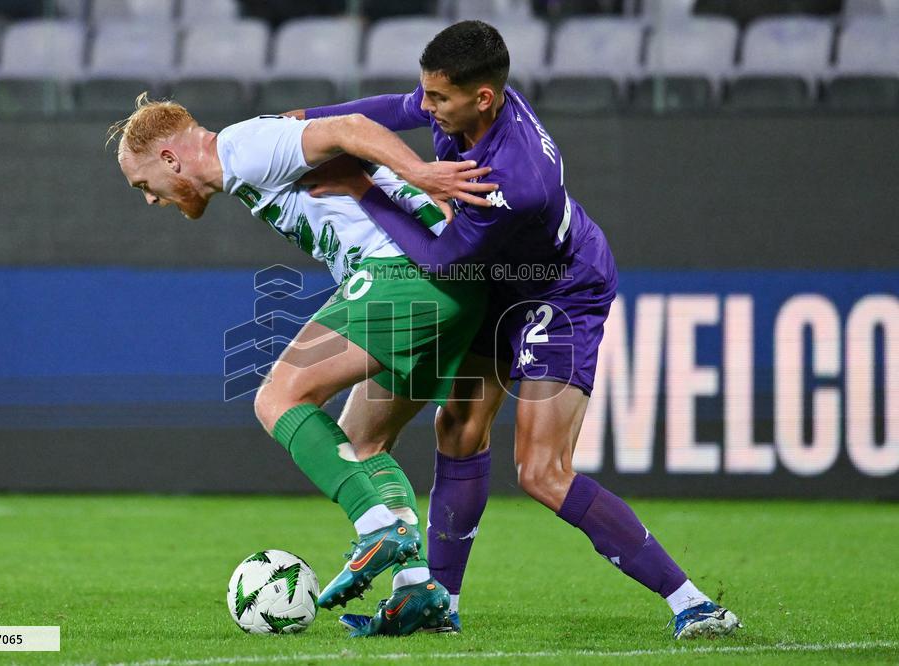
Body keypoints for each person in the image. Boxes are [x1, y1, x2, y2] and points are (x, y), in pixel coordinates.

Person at [292, 20, 741, 639]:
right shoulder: (470, 105)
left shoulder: (517, 179)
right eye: (428, 91)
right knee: (457, 427)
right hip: (503, 278)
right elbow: (395, 108)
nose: (426, 106)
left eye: (438, 98)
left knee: (541, 471)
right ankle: (440, 605)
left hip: (560, 291)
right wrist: (308, 122)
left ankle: (694, 603)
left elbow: (444, 259)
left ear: (483, 97)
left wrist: (361, 187)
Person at [108, 94, 497, 636]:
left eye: (143, 184)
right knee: (362, 444)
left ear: (170, 159)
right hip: (452, 286)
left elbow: (351, 126)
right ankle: (416, 589)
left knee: (278, 398)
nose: (151, 198)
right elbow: (331, 134)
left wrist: (420, 173)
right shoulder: (250, 157)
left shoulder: (240, 148)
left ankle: (377, 526)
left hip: (403, 275)